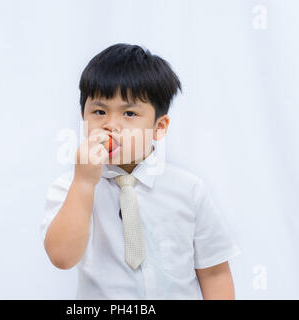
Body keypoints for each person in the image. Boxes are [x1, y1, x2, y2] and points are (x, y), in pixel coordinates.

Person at [40, 43, 241, 299]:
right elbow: (62, 257)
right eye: (99, 111)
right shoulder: (69, 187)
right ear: (83, 116)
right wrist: (83, 183)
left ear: (159, 126)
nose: (111, 125)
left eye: (130, 113)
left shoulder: (188, 189)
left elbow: (214, 273)